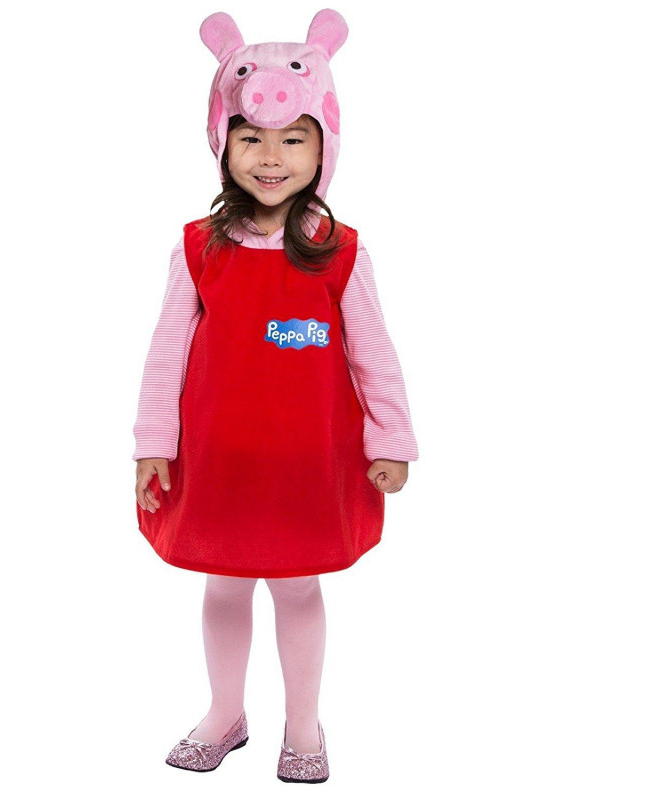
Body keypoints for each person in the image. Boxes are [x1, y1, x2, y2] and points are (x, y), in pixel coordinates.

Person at [132, 9, 418, 783]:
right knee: (223, 586)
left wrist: (390, 440)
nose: (270, 157)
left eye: (293, 139)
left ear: (324, 148)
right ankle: (225, 713)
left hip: (305, 466)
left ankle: (303, 725)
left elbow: (374, 355)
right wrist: (153, 445)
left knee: (297, 590)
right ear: (221, 142)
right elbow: (165, 354)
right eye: (251, 138)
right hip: (219, 462)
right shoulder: (199, 247)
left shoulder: (339, 251)